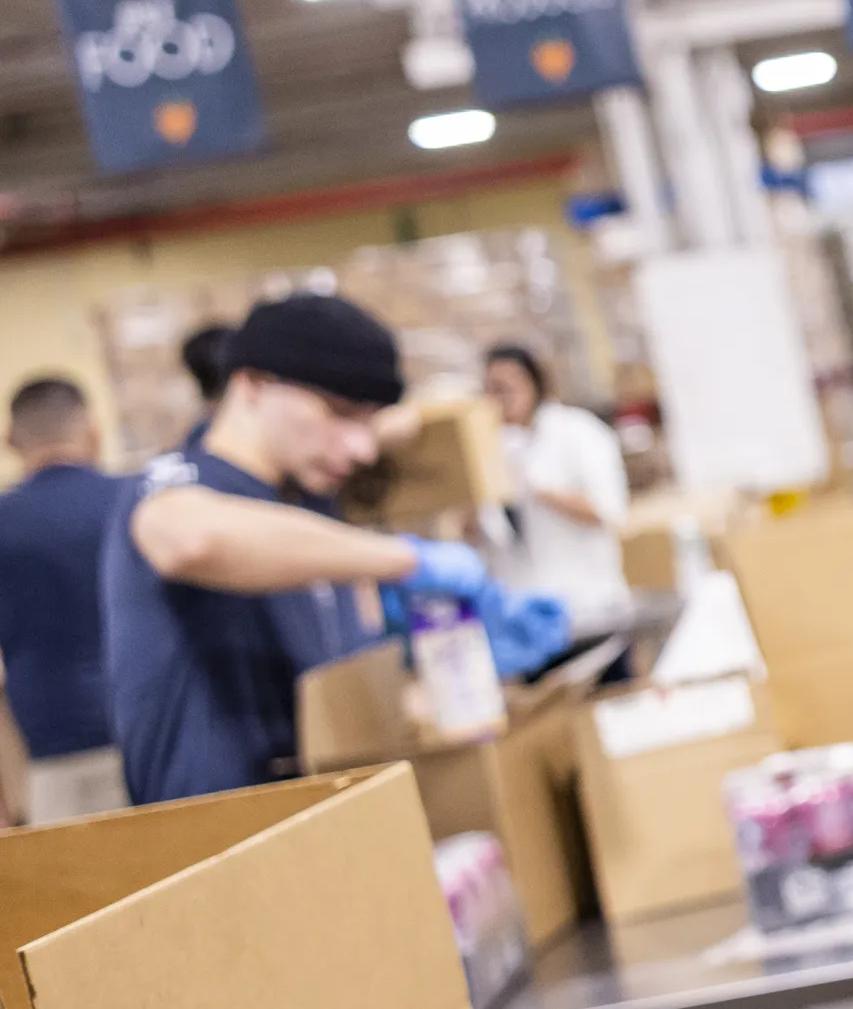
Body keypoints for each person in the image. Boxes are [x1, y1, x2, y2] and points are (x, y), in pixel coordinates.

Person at [107, 292, 564, 806]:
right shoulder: (175, 483)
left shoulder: (311, 501)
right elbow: (191, 540)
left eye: (369, 423)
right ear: (253, 383)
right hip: (216, 841)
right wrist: (406, 560)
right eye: (340, 413)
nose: (361, 448)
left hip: (321, 819)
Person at [0, 378, 131, 821]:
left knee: (73, 885)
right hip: (144, 736)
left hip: (50, 748)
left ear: (10, 441)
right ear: (92, 429)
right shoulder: (136, 501)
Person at [483, 343, 635, 635]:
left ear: (534, 384)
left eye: (507, 388)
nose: (499, 400)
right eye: (492, 390)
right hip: (527, 617)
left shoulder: (578, 432)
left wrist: (539, 490)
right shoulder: (491, 449)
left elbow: (608, 511)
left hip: (591, 607)